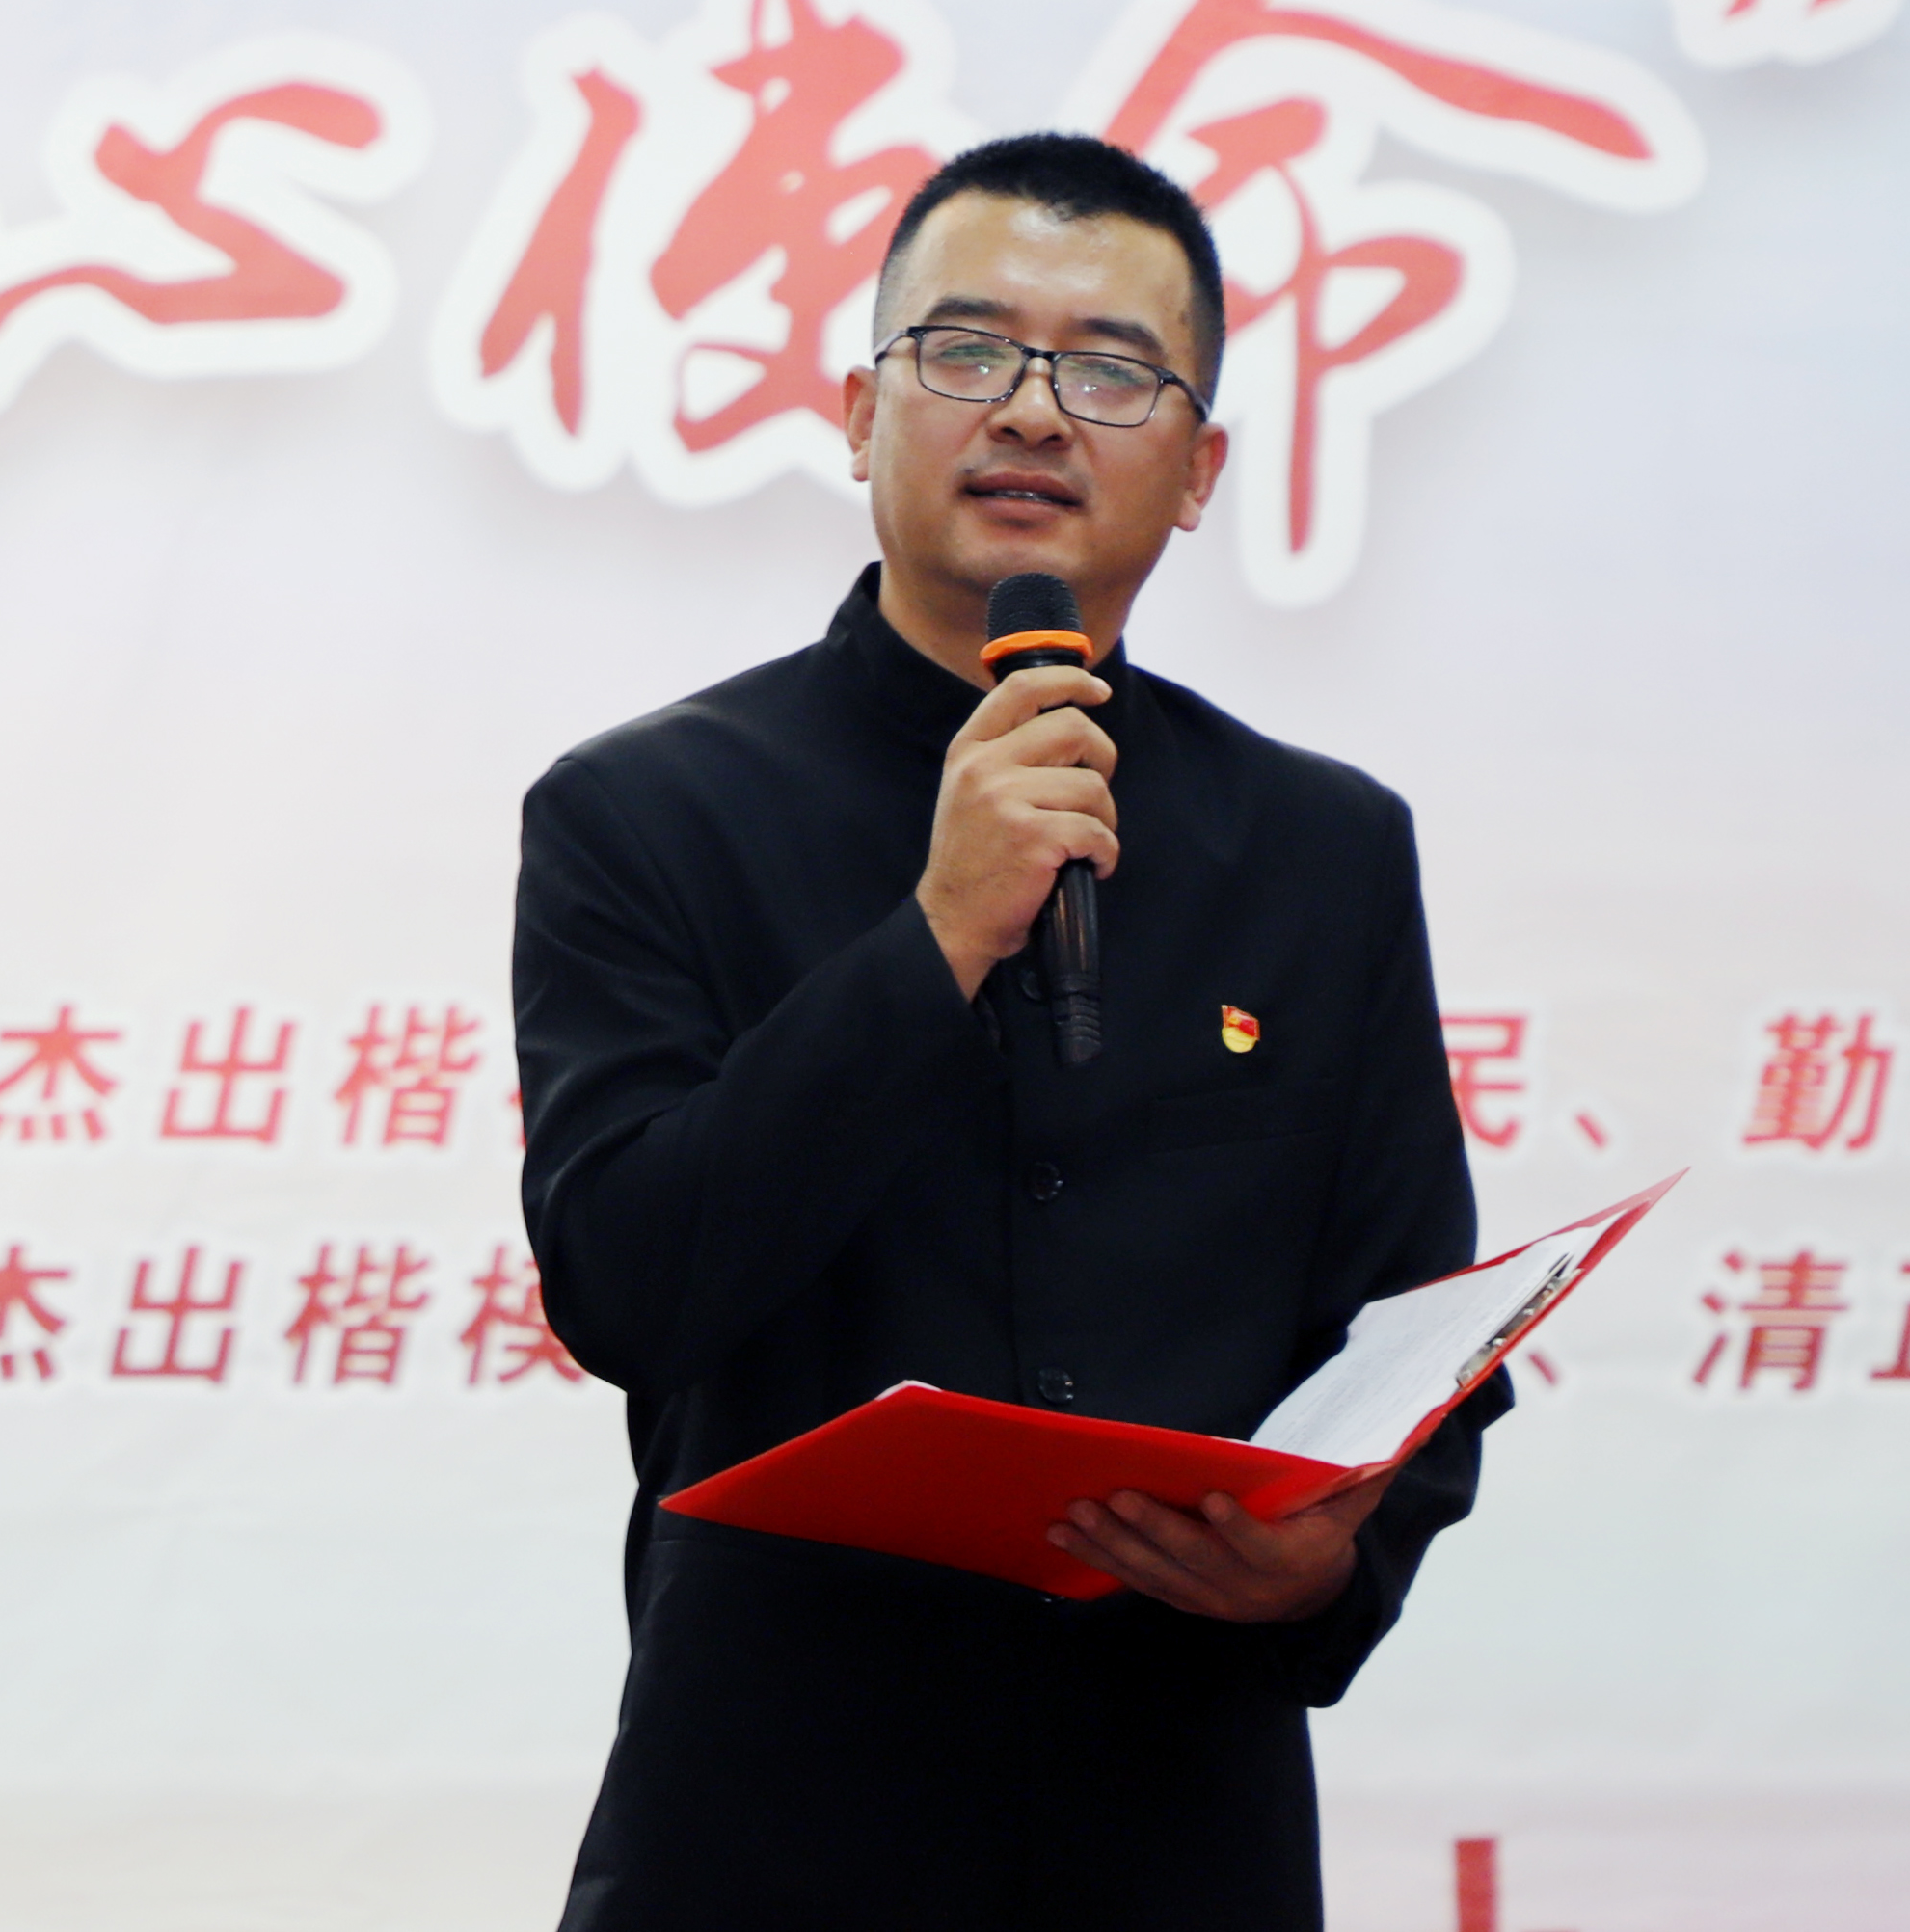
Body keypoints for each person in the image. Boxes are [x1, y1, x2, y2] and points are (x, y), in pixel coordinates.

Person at [513, 132, 1496, 1930]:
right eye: (965, 350)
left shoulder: (1323, 847)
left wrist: (1319, 1566)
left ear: (1196, 472)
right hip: (767, 1834)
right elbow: (625, 1284)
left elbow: (1411, 1328)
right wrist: (939, 931)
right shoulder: (645, 813)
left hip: (1178, 1833)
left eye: (1110, 371)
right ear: (857, 414)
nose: (1032, 410)